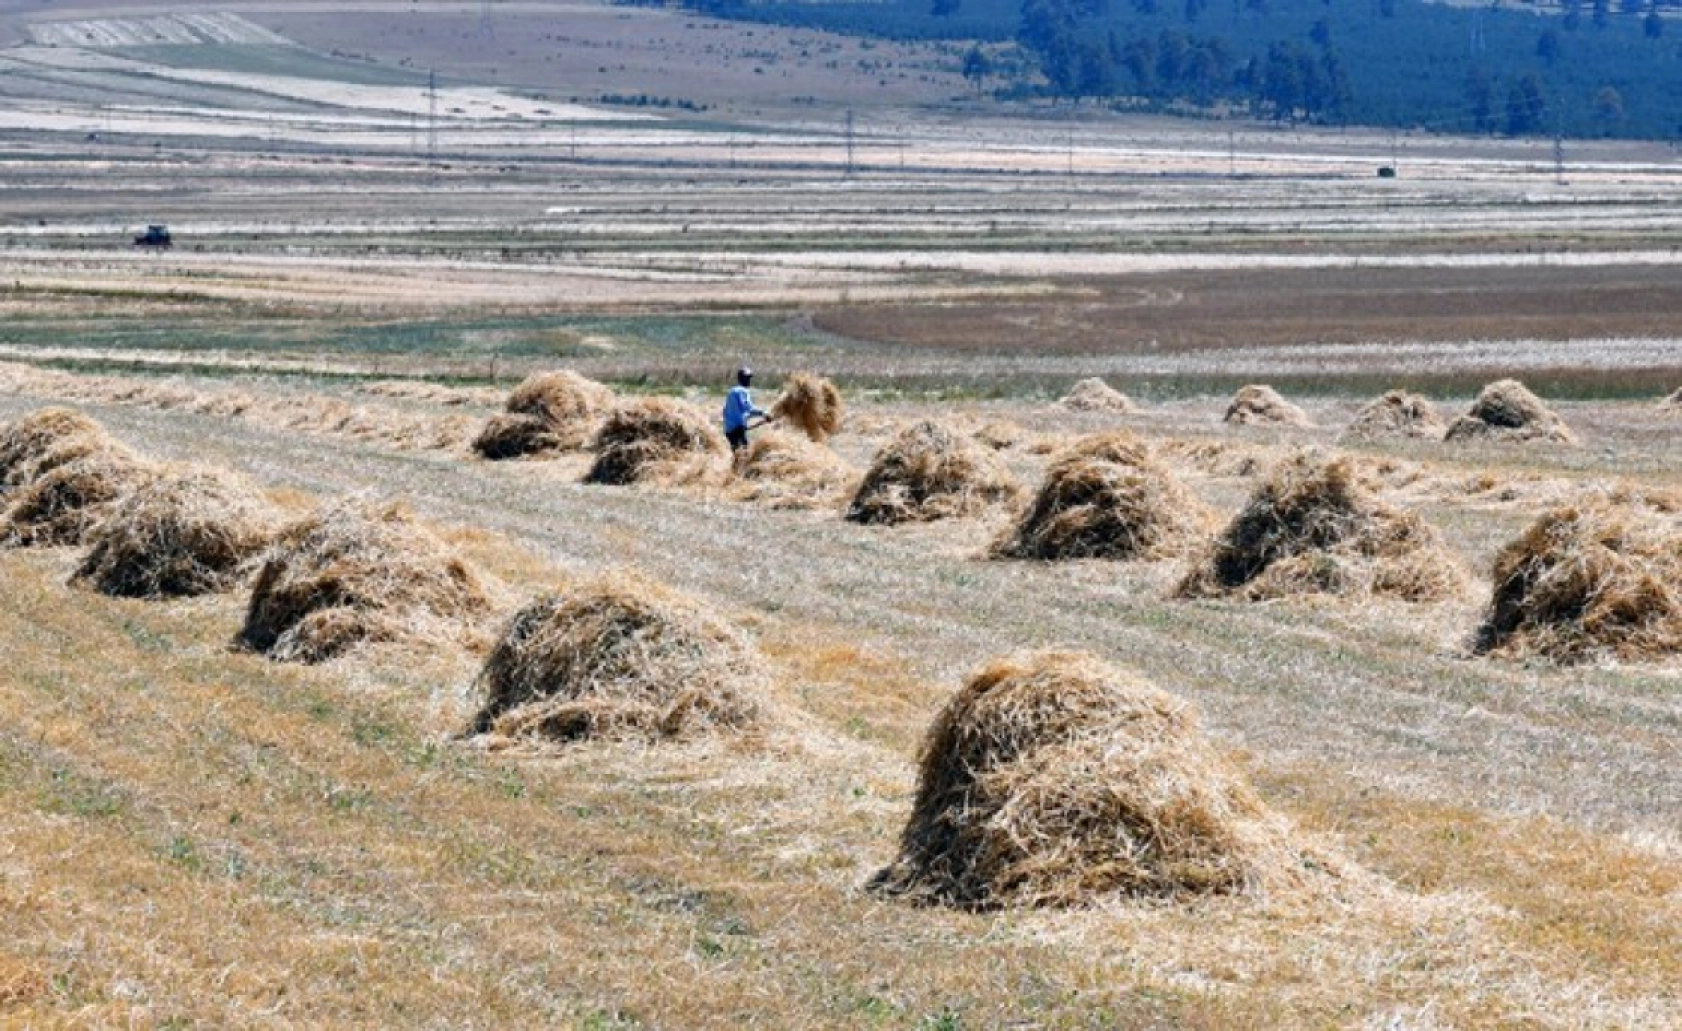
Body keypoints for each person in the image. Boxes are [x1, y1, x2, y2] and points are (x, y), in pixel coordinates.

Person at [722, 366, 770, 451]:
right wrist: (764, 413)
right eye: (747, 378)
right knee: (744, 452)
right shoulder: (742, 391)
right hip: (737, 429)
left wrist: (762, 417)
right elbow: (748, 408)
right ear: (741, 379)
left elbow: (727, 411)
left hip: (729, 430)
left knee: (737, 452)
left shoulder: (732, 391)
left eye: (749, 378)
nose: (748, 380)